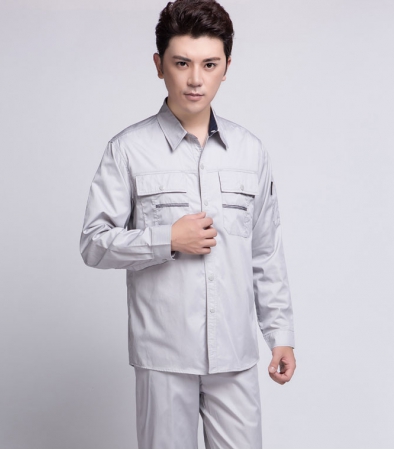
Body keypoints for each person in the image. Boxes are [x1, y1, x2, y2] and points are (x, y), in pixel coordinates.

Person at [79, 0, 296, 447]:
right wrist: (167, 240)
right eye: (182, 63)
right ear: (159, 65)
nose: (196, 79)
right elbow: (94, 243)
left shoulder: (251, 152)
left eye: (209, 64)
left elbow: (265, 252)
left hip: (234, 355)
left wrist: (280, 335)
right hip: (163, 357)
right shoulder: (127, 150)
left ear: (226, 67)